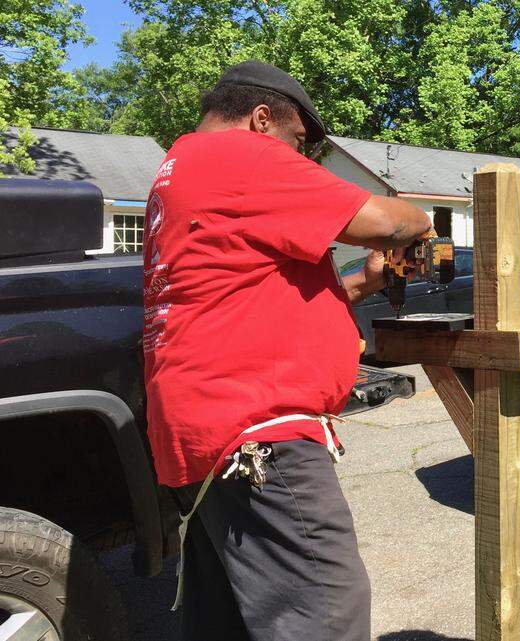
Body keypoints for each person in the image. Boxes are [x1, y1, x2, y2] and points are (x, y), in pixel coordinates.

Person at [142, 60, 432, 641]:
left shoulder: (179, 169)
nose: (299, 157)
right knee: (325, 611)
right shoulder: (241, 156)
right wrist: (419, 221)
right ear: (262, 117)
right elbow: (382, 219)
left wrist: (364, 284)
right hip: (258, 430)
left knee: (234, 619)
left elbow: (240, 295)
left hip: (199, 430)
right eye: (298, 140)